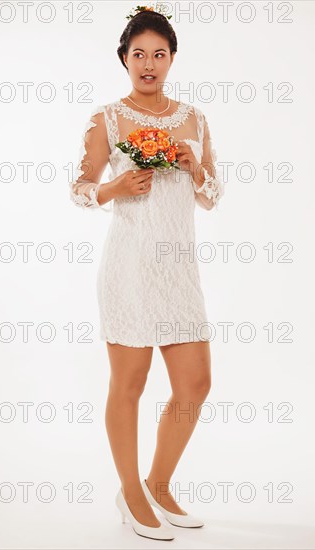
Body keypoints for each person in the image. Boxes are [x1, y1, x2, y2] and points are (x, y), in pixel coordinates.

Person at [69, 5, 225, 541]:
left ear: (173, 58)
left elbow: (211, 198)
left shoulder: (194, 120)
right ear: (124, 59)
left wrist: (194, 166)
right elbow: (81, 187)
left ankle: (158, 484)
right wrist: (114, 188)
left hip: (180, 272)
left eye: (160, 54)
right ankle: (131, 492)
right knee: (129, 385)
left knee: (196, 384)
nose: (150, 63)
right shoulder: (108, 119)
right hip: (129, 268)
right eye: (140, 54)